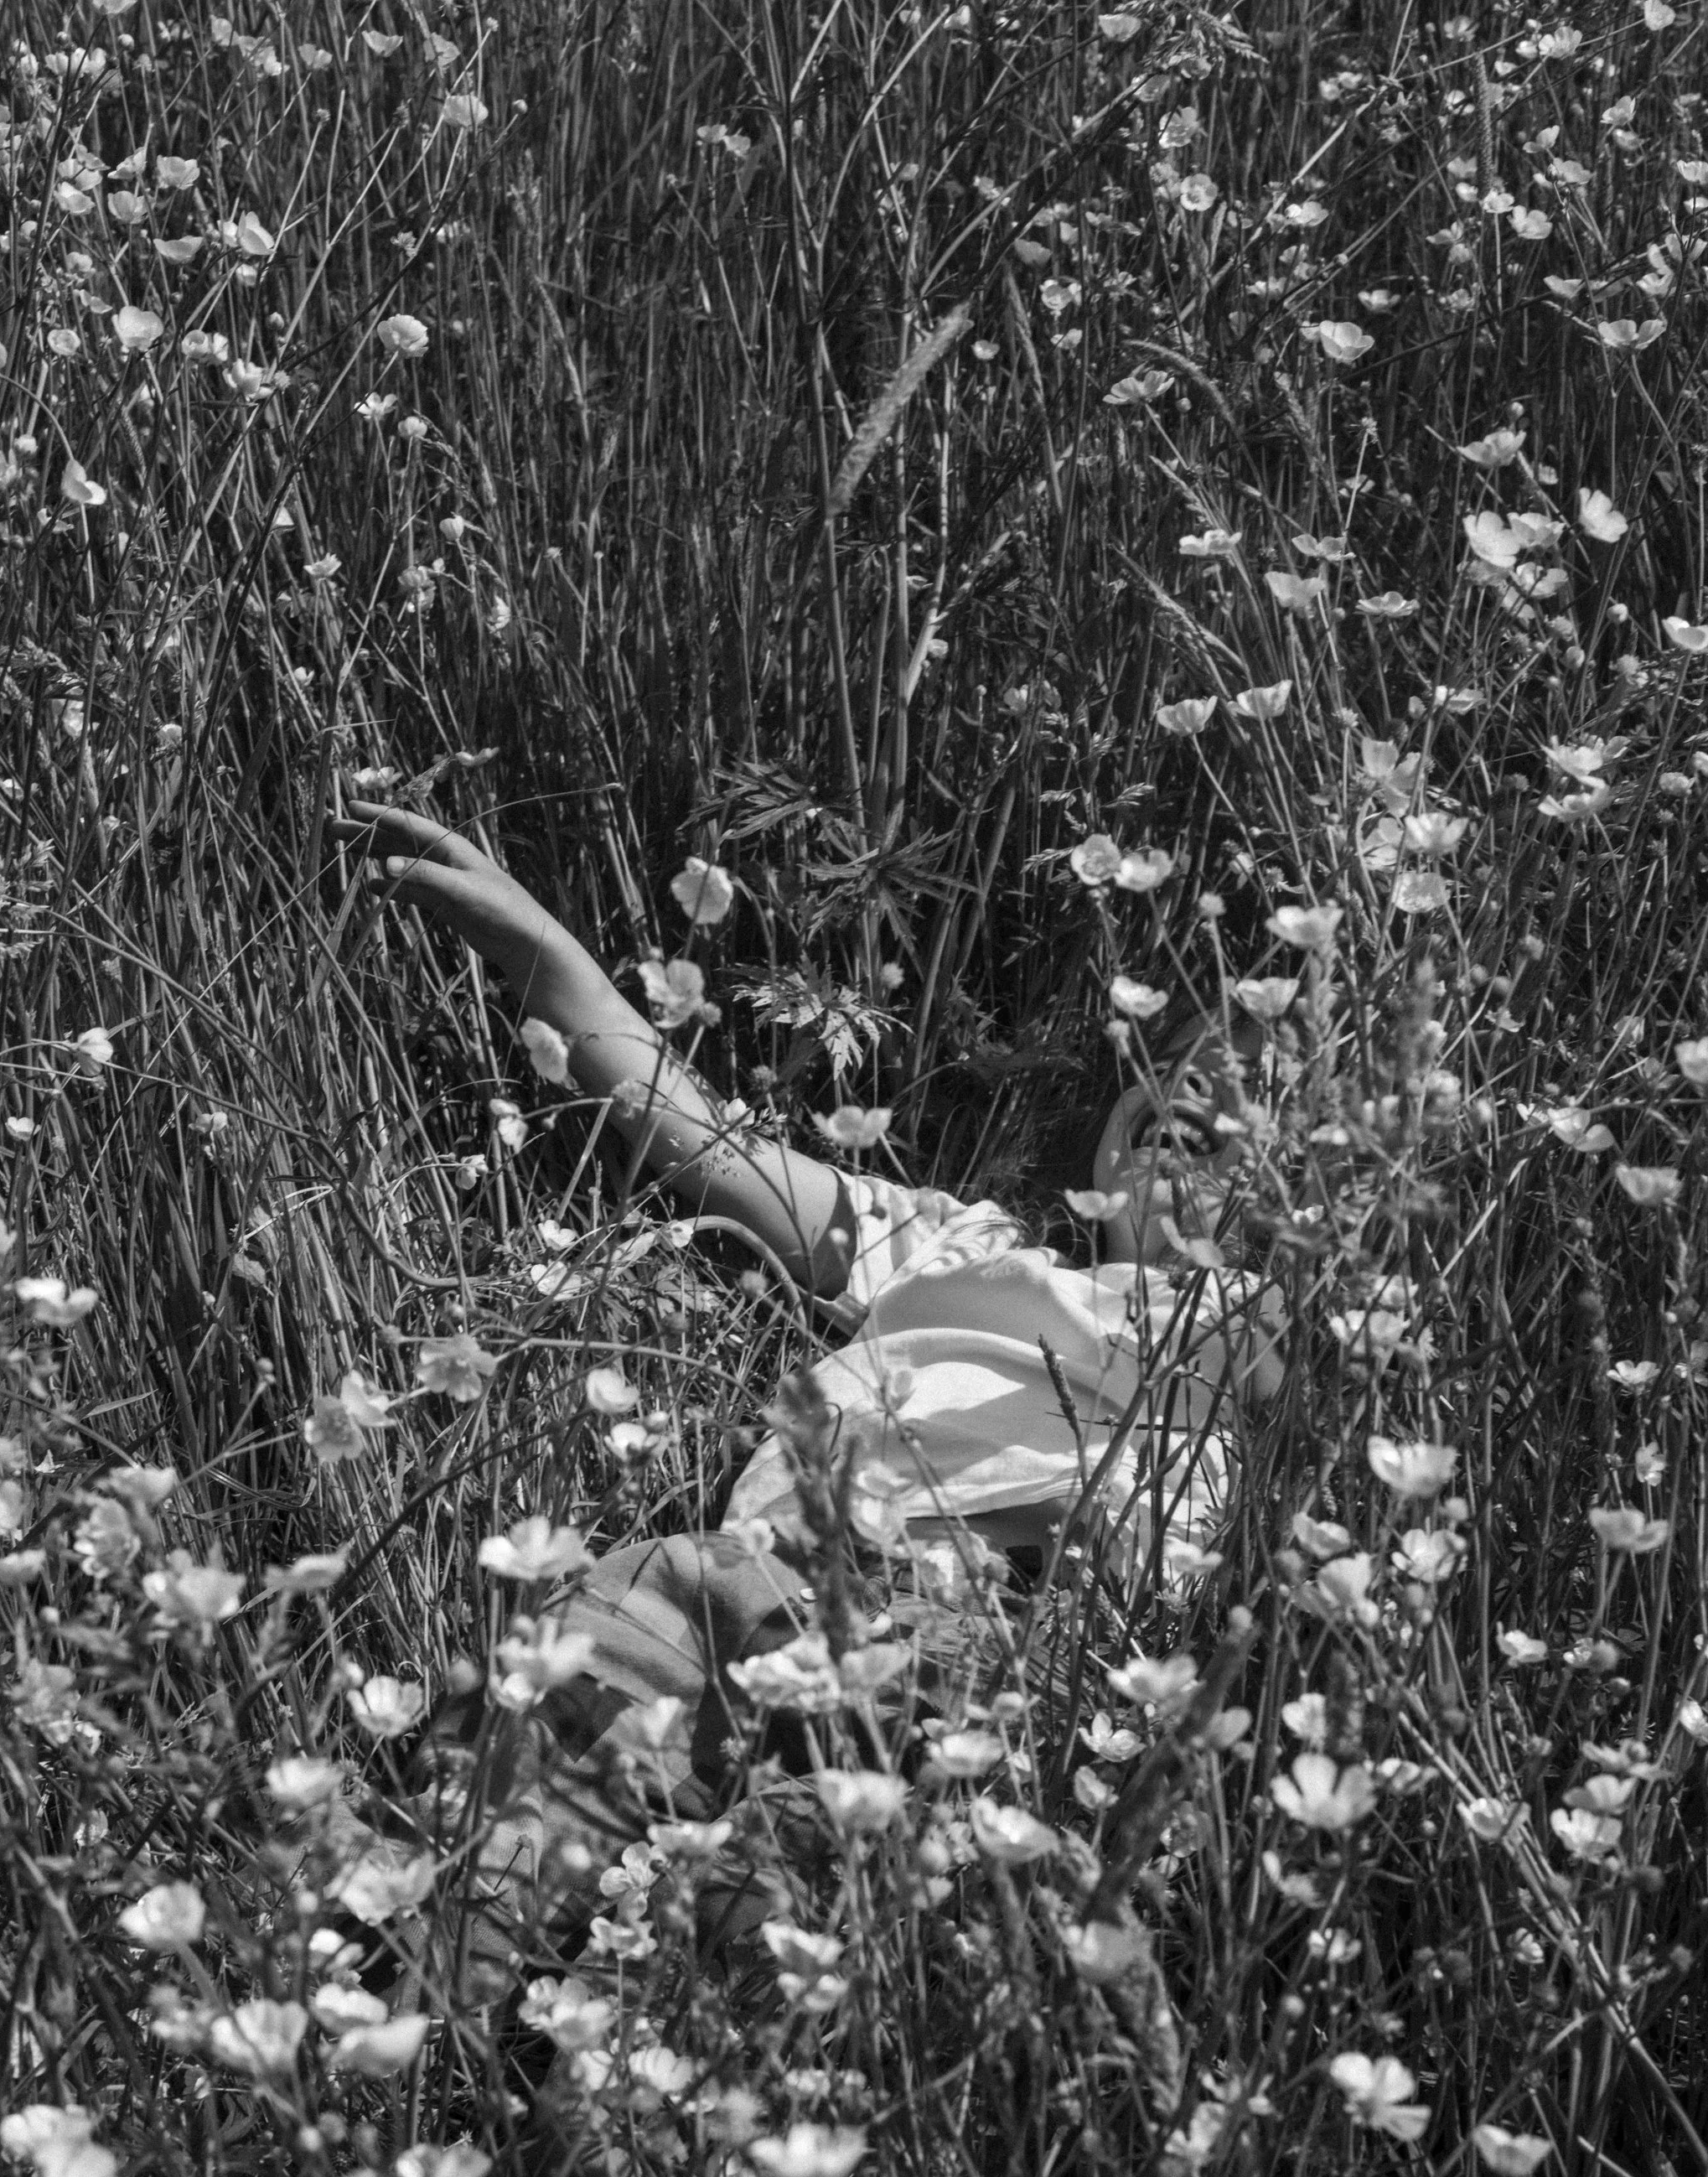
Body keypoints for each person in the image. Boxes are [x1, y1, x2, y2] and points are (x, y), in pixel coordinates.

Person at [334, 801, 1285, 1975]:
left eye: (1257, 1090)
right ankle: (402, 1986)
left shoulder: (1272, 1343)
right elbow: (705, 1143)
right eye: (1177, 1060)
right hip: (762, 1578)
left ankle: (655, 2093)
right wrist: (546, 956)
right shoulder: (970, 1252)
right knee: (571, 1674)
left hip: (996, 1634)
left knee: (793, 1897)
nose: (1205, 1081)